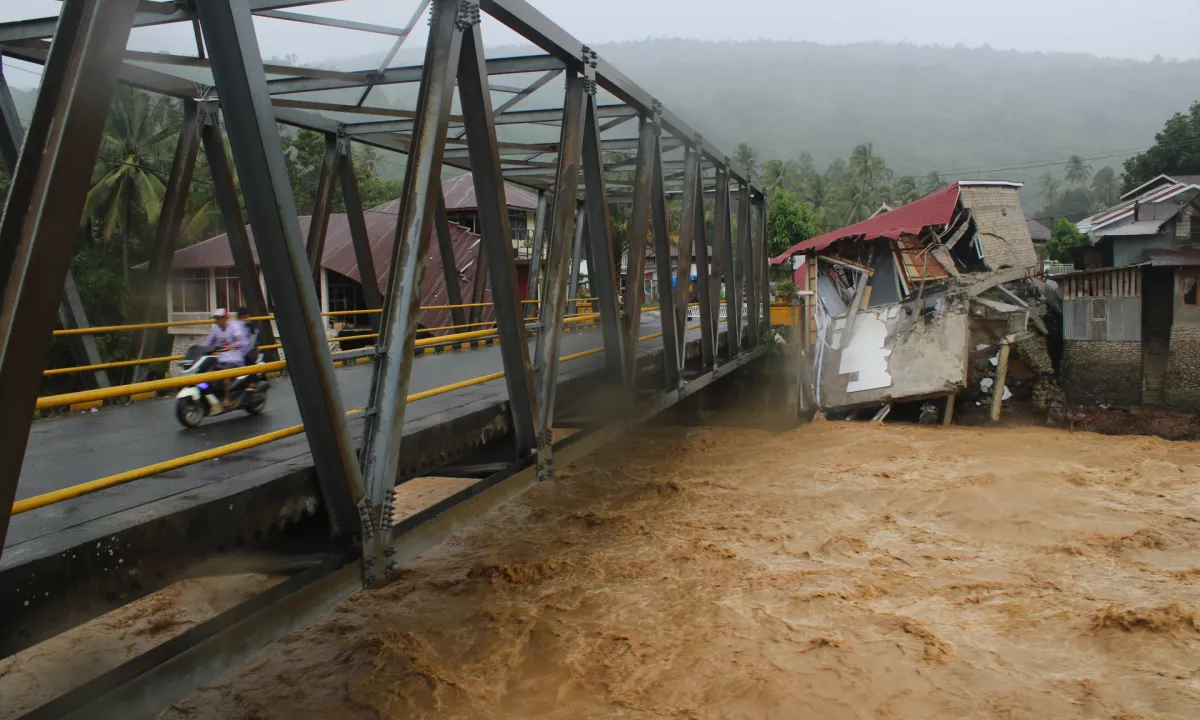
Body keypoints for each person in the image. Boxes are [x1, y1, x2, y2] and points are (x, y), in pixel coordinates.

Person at [203, 309, 249, 405]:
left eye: (218, 318)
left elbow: (240, 342)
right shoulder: (215, 329)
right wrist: (199, 348)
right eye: (215, 319)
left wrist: (231, 346)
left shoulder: (233, 327)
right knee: (208, 373)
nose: (216, 321)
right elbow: (208, 343)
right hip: (221, 359)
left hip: (234, 359)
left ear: (224, 318)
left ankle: (227, 399)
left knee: (225, 374)